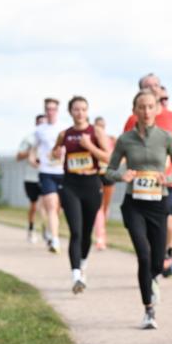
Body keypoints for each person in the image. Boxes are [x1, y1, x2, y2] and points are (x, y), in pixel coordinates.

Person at [107, 89, 172, 329]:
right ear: (135, 111)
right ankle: (149, 310)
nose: (146, 111)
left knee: (157, 259)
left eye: (151, 106)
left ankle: (153, 279)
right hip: (134, 205)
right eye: (142, 107)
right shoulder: (125, 140)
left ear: (156, 109)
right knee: (143, 254)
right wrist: (122, 175)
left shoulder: (166, 137)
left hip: (158, 204)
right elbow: (108, 171)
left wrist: (168, 178)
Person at [124, 74, 172, 276]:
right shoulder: (133, 119)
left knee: (169, 216)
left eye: (156, 85)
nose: (153, 88)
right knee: (148, 225)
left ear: (161, 90)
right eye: (147, 86)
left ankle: (168, 253)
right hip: (142, 183)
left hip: (167, 179)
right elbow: (126, 145)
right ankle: (152, 257)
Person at [52, 97, 111, 294]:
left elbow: (109, 158)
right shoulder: (65, 134)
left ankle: (83, 264)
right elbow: (54, 153)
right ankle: (76, 275)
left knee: (86, 232)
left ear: (87, 111)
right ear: (70, 112)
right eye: (76, 109)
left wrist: (90, 147)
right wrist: (57, 154)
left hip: (92, 184)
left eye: (83, 109)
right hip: (71, 184)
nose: (80, 113)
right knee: (75, 231)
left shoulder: (96, 132)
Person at [35, 98, 65, 253]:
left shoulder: (64, 128)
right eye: (48, 109)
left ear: (57, 110)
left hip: (63, 171)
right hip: (46, 172)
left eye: (53, 109)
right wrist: (34, 160)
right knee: (51, 206)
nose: (50, 111)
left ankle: (49, 230)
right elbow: (34, 149)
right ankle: (55, 240)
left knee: (58, 208)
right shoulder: (40, 130)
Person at [17, 114, 46, 243]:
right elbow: (18, 156)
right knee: (34, 206)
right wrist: (31, 151)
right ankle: (31, 228)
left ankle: (47, 230)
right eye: (40, 123)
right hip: (31, 178)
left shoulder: (51, 138)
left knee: (47, 205)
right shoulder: (29, 139)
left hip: (46, 176)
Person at [91, 116, 117, 251]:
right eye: (98, 125)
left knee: (105, 207)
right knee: (99, 208)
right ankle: (100, 237)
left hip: (108, 174)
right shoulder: (91, 140)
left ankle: (102, 232)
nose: (100, 128)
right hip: (96, 175)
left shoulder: (111, 140)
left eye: (102, 125)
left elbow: (119, 156)